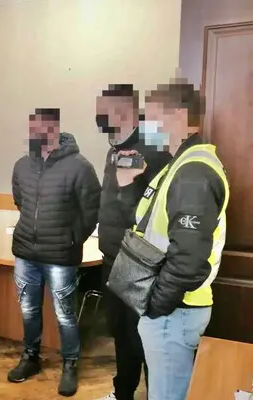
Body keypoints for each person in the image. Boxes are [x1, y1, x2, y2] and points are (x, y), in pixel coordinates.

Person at [116, 79, 229, 400]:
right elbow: (148, 225)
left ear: (178, 115)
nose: (146, 127)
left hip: (175, 311)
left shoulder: (193, 172)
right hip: (170, 309)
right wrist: (127, 185)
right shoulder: (178, 166)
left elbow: (188, 260)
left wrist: (156, 307)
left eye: (151, 117)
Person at [9, 108, 101, 397]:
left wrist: (72, 239)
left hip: (61, 255)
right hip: (26, 252)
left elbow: (91, 211)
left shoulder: (79, 166)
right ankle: (31, 357)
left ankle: (70, 363)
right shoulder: (22, 165)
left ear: (55, 130)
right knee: (28, 310)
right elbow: (20, 201)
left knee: (65, 314)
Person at [95, 84, 172, 400]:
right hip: (111, 256)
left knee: (144, 336)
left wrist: (128, 186)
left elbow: (152, 210)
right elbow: (110, 199)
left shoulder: (152, 148)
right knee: (121, 334)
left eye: (105, 111)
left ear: (125, 110)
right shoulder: (114, 149)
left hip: (138, 260)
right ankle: (123, 391)